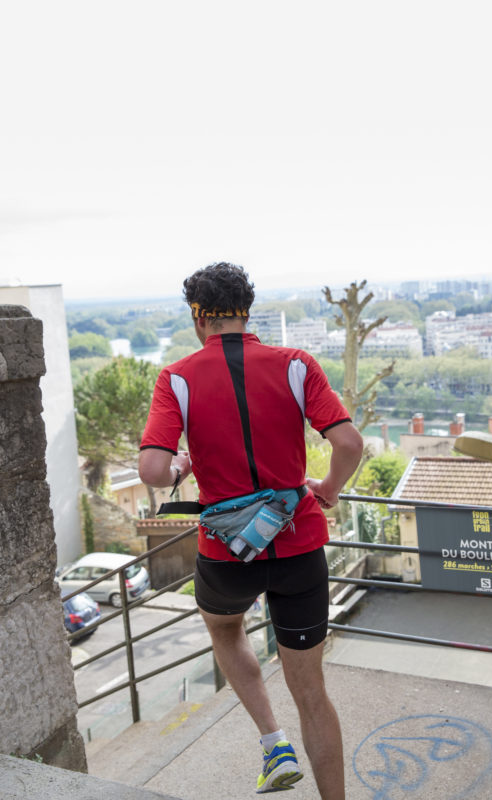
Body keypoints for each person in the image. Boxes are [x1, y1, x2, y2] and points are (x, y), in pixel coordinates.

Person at [139, 262, 363, 798]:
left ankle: (272, 742)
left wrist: (179, 470)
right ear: (246, 312)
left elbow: (151, 471)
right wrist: (327, 489)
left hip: (225, 553)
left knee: (225, 630)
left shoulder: (176, 377)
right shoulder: (295, 364)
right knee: (312, 690)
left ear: (199, 317)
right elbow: (350, 444)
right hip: (298, 545)